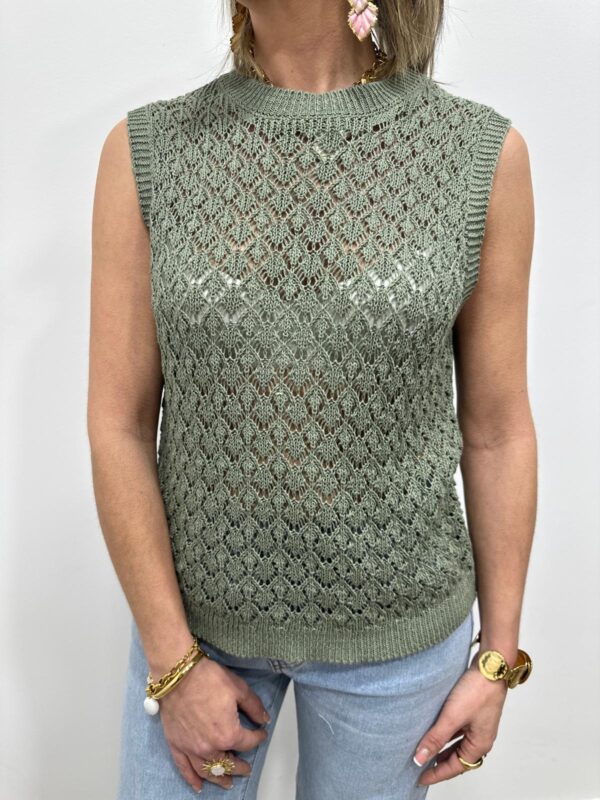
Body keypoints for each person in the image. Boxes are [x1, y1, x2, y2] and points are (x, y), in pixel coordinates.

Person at [87, 1, 536, 797]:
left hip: (399, 644)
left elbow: (497, 430)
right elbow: (118, 425)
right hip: (193, 635)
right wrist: (172, 659)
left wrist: (499, 657)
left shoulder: (479, 155)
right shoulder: (148, 152)